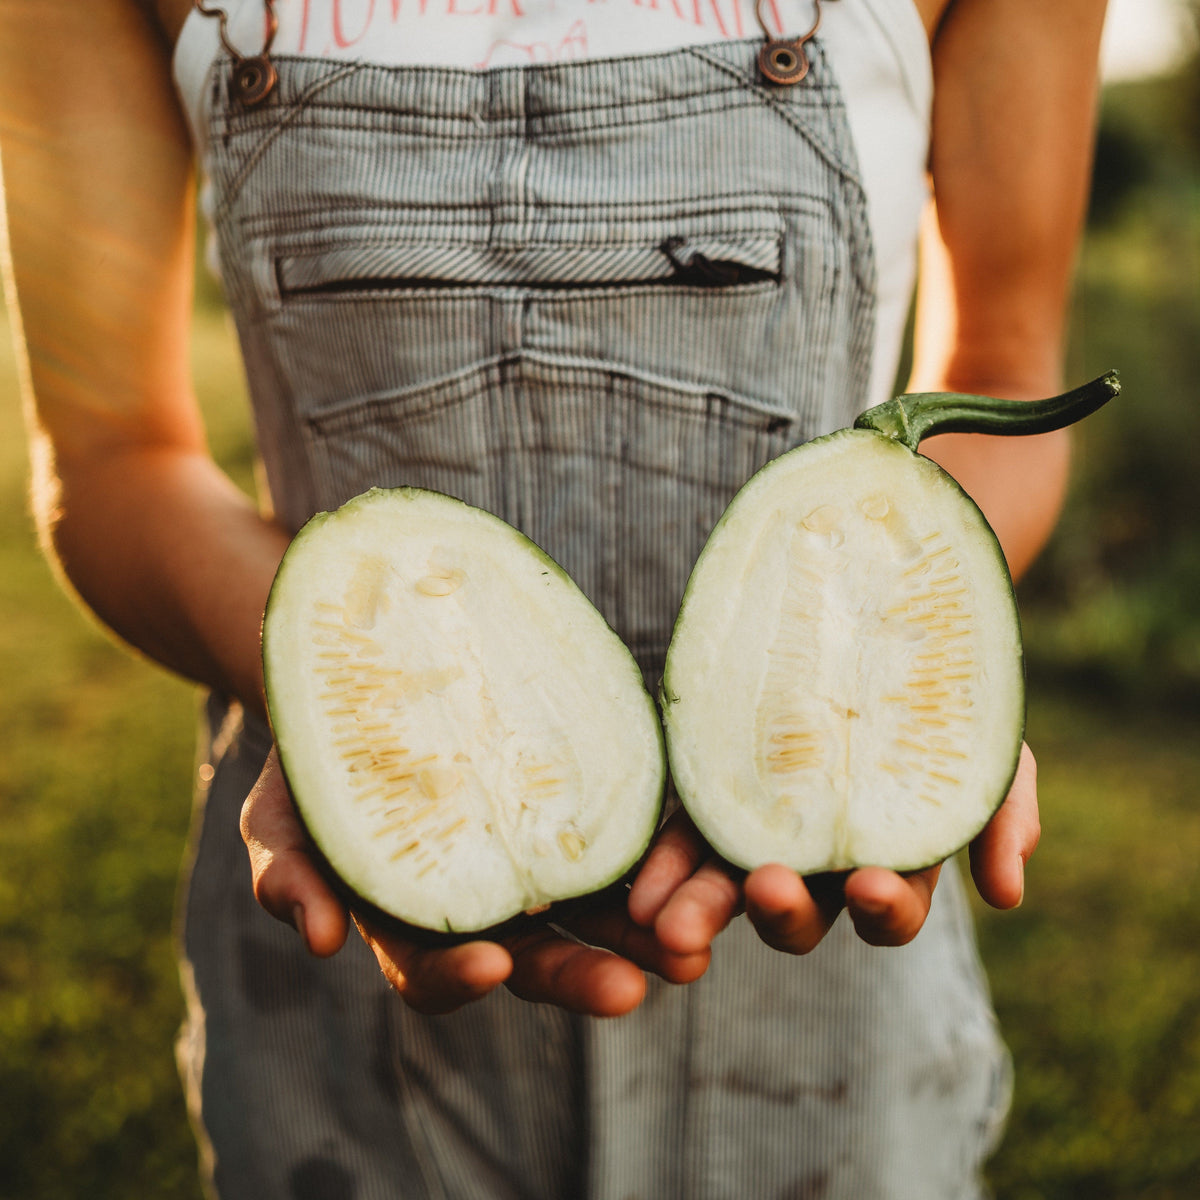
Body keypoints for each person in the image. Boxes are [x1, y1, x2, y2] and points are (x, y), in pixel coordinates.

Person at [0, 0, 1108, 1195]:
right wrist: (323, 686)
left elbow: (1002, 381)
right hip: (347, 951)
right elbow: (109, 452)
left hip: (829, 995)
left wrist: (915, 665)